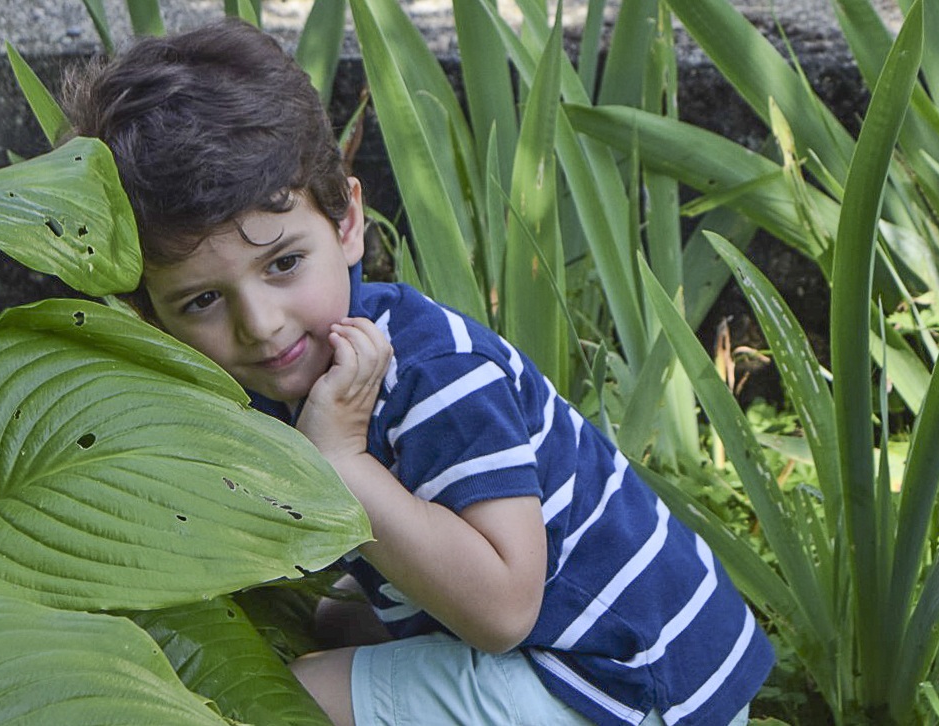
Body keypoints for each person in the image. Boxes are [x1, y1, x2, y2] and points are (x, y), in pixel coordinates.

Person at [64, 18, 774, 726]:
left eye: (283, 263)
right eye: (203, 300)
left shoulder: (435, 375)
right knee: (338, 620)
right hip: (610, 658)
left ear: (347, 224)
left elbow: (502, 608)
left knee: (285, 700)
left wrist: (339, 464)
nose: (261, 324)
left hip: (636, 683)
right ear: (150, 313)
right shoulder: (284, 372)